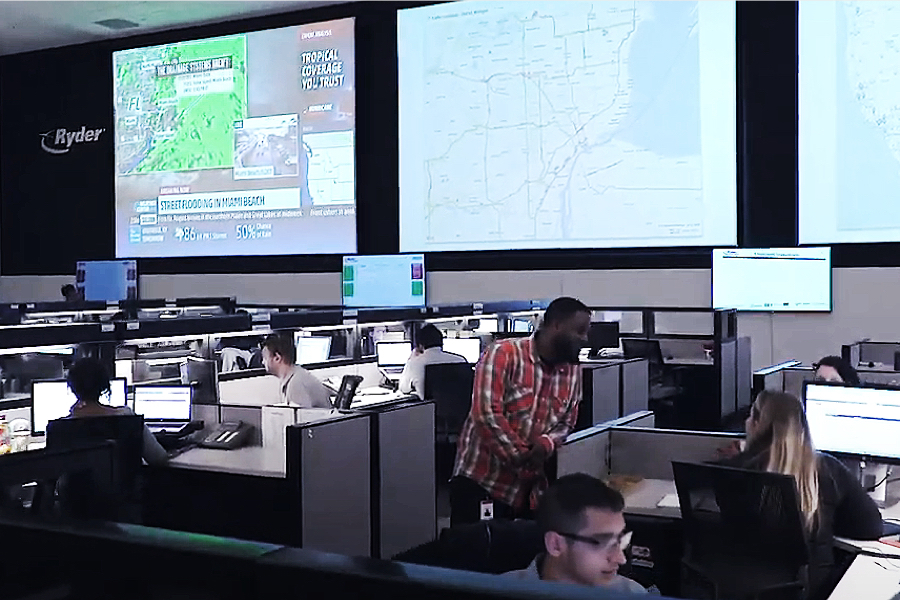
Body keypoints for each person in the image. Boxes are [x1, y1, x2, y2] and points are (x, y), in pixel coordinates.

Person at [717, 391, 882, 599]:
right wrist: (825, 520)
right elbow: (870, 527)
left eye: (750, 416)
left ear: (758, 424)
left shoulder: (732, 472)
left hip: (742, 589)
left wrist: (740, 456)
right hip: (810, 590)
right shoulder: (827, 469)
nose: (746, 422)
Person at [450, 296, 592, 526]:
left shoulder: (573, 370)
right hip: (483, 482)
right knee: (471, 558)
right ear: (556, 325)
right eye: (580, 331)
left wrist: (546, 443)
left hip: (529, 494)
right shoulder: (503, 354)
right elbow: (486, 414)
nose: (584, 339)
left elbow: (567, 421)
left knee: (518, 558)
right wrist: (525, 459)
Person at [503, 473, 652, 594]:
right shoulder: (498, 592)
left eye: (621, 541)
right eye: (603, 543)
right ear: (555, 544)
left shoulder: (631, 594)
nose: (621, 559)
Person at [66, 357, 168, 466]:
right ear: (104, 385)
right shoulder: (127, 417)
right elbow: (159, 458)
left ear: (72, 388)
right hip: (127, 483)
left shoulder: (59, 427)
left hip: (79, 484)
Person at [261, 334, 332, 408]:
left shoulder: (296, 384)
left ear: (277, 358)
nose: (263, 362)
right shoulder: (295, 376)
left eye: (265, 358)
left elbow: (303, 417)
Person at [398, 324, 467, 396]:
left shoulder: (415, 363)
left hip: (428, 407)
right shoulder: (461, 360)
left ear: (420, 345)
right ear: (441, 342)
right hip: (462, 406)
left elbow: (403, 388)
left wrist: (411, 359)